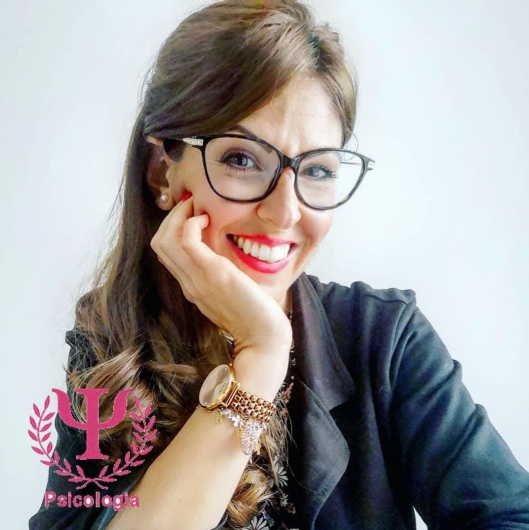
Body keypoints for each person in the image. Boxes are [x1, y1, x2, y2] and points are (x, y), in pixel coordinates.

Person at [29, 1, 529, 529]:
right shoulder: (111, 346)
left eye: (317, 170)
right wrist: (262, 353)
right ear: (162, 172)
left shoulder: (384, 339)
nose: (285, 212)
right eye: (242, 160)